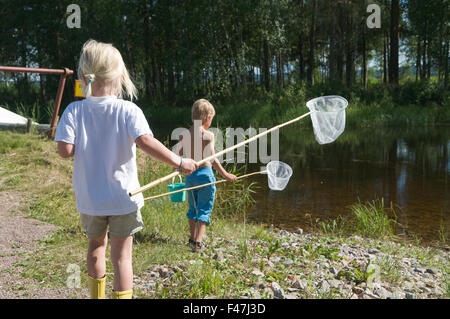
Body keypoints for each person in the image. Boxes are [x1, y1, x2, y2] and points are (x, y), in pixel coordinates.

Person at [54, 39, 198, 299]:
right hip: (124, 198)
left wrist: (81, 146)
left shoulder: (74, 110)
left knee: (96, 248)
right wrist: (180, 162)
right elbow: (146, 143)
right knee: (122, 257)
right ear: (120, 75)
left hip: (91, 201)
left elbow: (64, 151)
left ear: (84, 76)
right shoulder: (129, 110)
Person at [176, 99, 237, 252]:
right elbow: (212, 158)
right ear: (207, 118)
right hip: (205, 176)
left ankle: (192, 239)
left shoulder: (184, 135)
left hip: (190, 177)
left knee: (193, 208)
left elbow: (178, 157)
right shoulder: (208, 136)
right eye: (212, 118)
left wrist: (176, 170)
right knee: (204, 209)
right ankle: (198, 243)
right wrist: (225, 174)